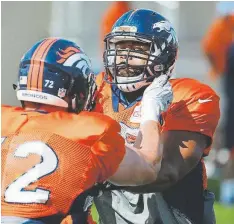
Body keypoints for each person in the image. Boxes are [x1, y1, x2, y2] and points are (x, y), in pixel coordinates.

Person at [1, 37, 173, 223]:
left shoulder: (3, 118)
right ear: (76, 88)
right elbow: (147, 168)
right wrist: (151, 110)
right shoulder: (89, 131)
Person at [92, 9, 221, 224]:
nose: (124, 57)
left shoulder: (188, 96)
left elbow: (167, 172)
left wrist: (89, 170)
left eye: (137, 48)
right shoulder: (97, 91)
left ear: (164, 54)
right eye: (120, 47)